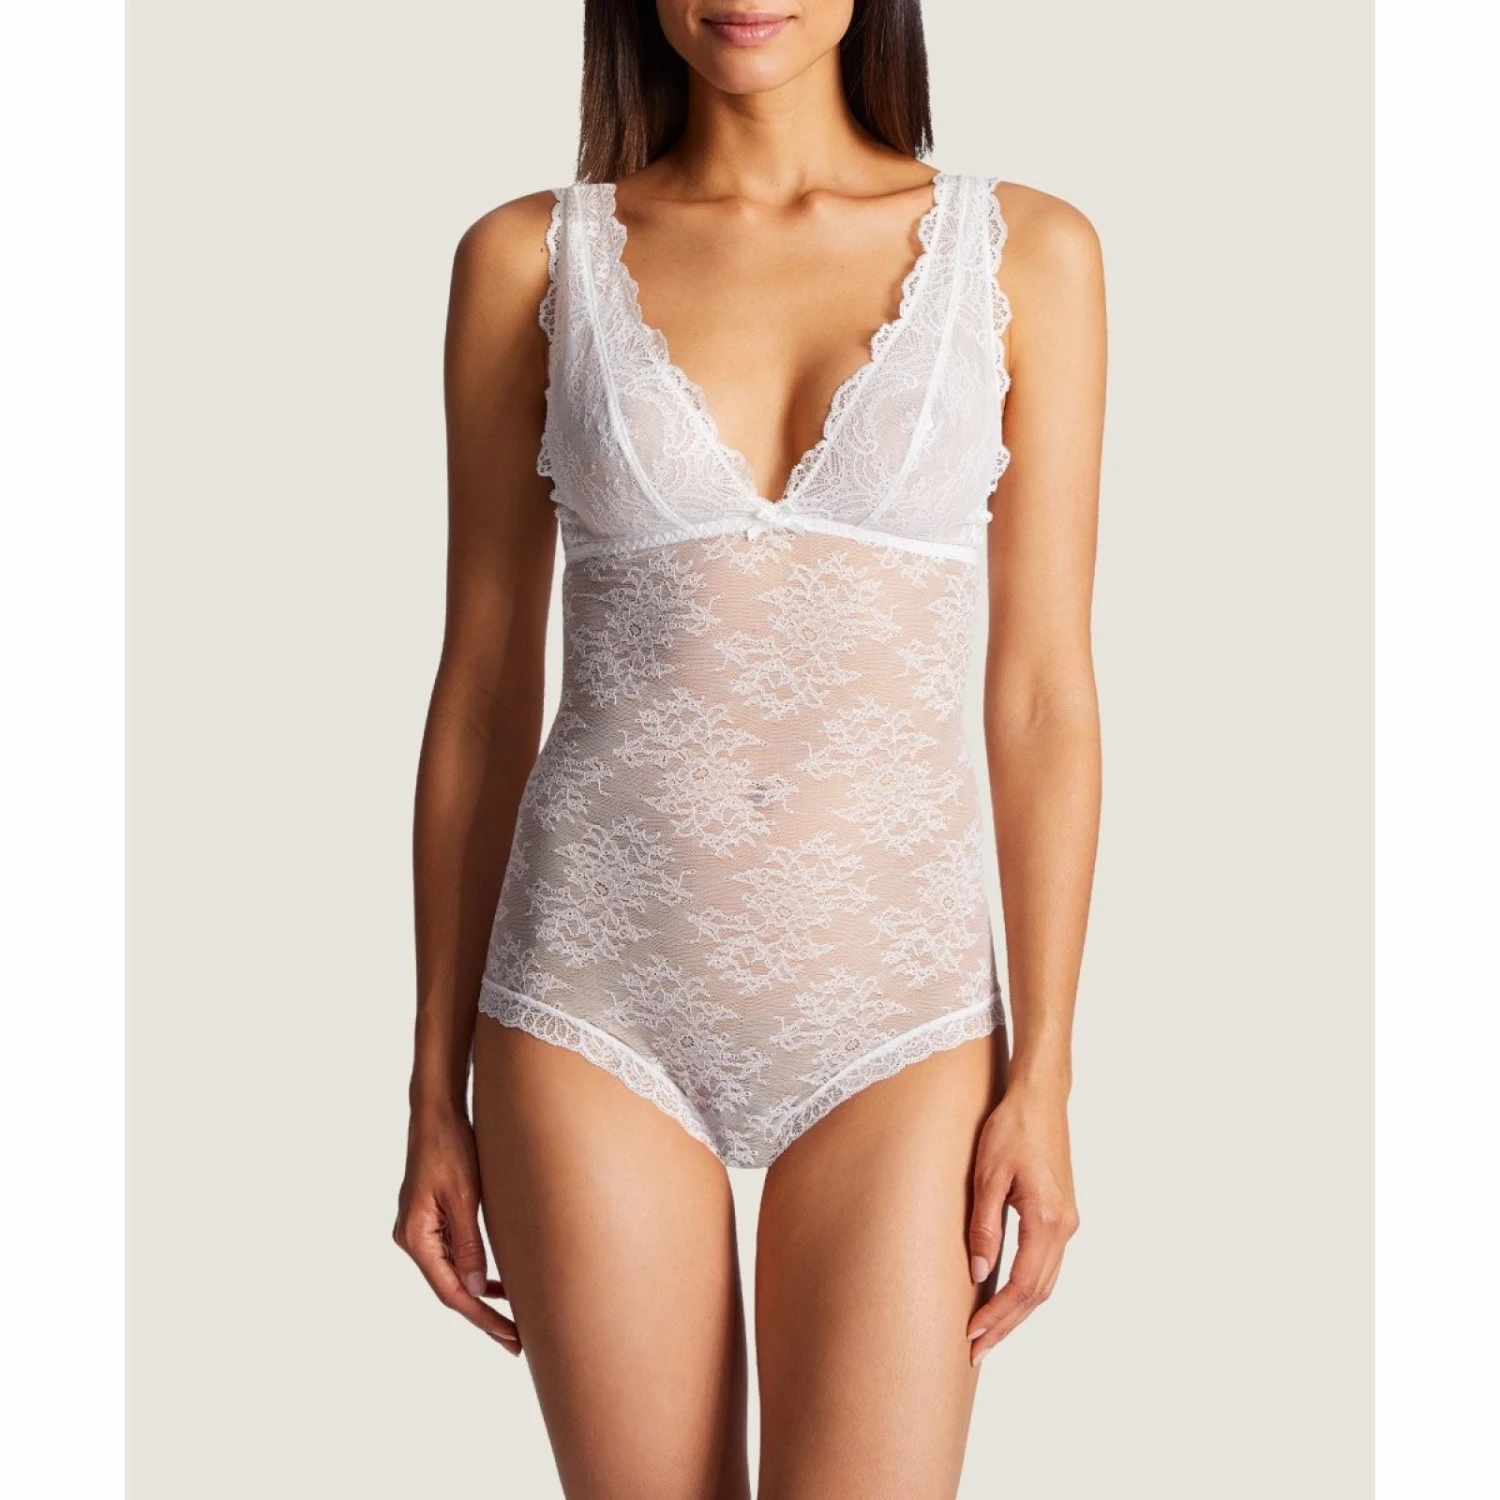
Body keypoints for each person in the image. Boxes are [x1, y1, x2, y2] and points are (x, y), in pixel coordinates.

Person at [394, 2, 1105, 1494]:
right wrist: (429, 1090)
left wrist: (1043, 1073)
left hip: (901, 1019)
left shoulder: (1025, 254)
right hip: (589, 1004)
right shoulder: (530, 260)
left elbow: (1042, 694)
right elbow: (480, 692)